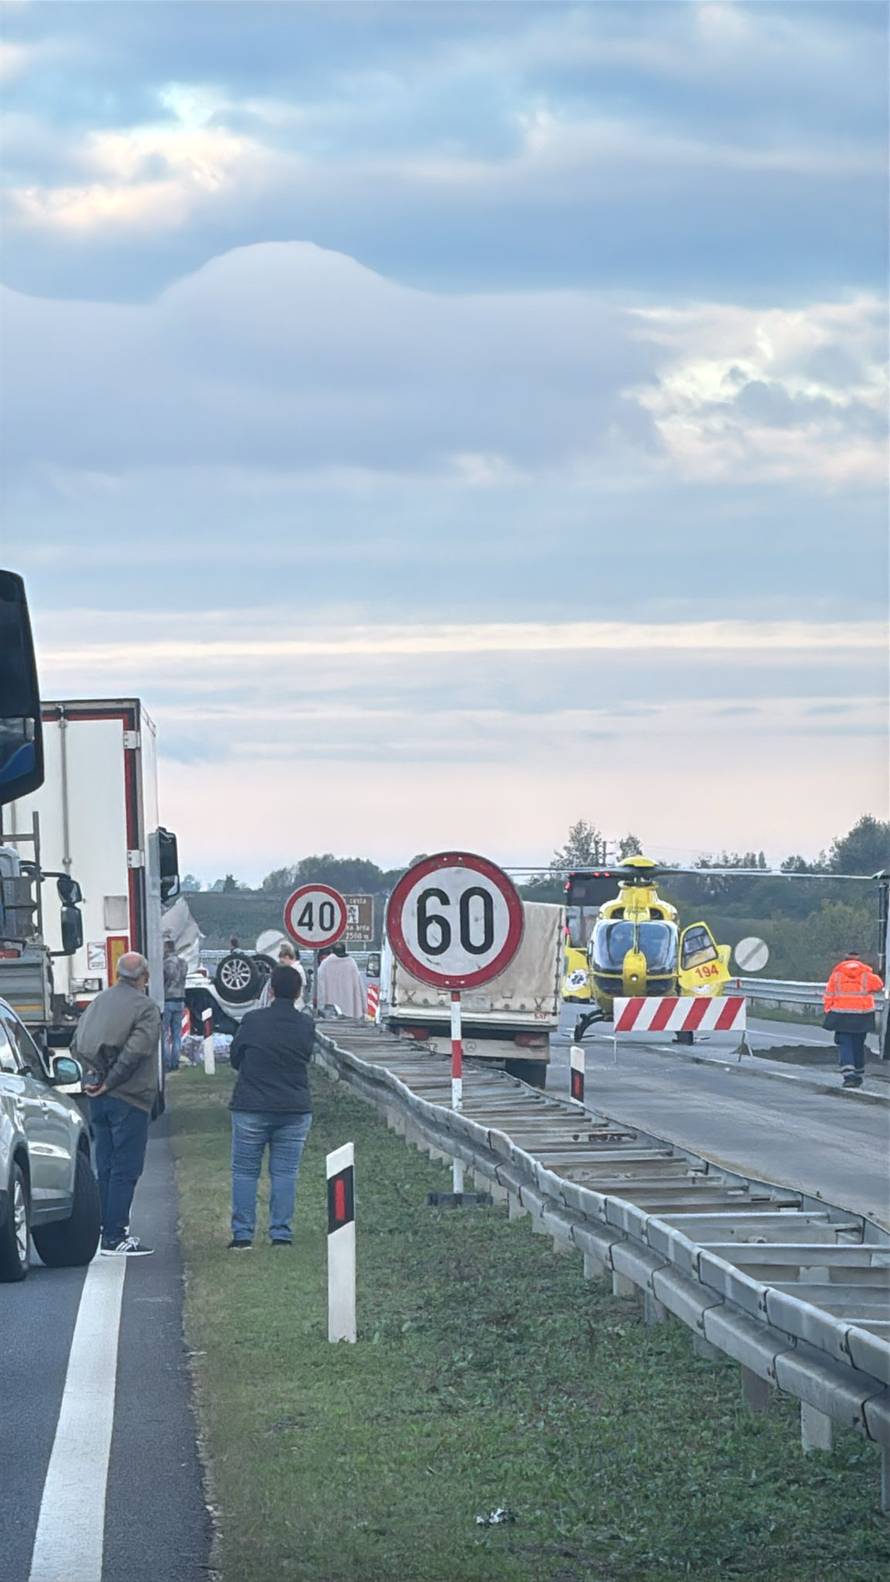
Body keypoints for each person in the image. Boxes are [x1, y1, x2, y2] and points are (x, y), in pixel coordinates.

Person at [72, 951, 161, 1255]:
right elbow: (136, 1052)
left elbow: (77, 1043)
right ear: (144, 978)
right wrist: (111, 1081)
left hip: (97, 1097)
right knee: (126, 1166)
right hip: (129, 1096)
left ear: (117, 974)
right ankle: (115, 1234)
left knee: (105, 1164)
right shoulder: (146, 1008)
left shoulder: (99, 1002)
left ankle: (102, 1226)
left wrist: (94, 1077)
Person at [228, 965, 314, 1248]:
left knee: (244, 1171)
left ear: (271, 990)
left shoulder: (253, 1020)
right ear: (299, 991)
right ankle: (281, 1234)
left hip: (251, 1105)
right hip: (293, 1108)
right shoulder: (305, 1024)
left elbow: (235, 1057)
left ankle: (243, 1235)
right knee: (285, 1173)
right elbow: (305, 1055)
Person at [823, 952, 884, 1089]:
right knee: (858, 1045)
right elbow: (879, 986)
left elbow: (828, 995)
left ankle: (848, 1075)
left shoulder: (836, 976)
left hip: (841, 1015)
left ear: (844, 960)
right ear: (859, 961)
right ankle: (858, 1073)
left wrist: (828, 1012)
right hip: (862, 1016)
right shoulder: (866, 974)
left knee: (845, 1044)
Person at [316, 942, 365, 1018]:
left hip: (330, 1013)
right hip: (350, 1012)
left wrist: (319, 1007)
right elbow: (359, 988)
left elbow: (319, 988)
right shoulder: (352, 964)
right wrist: (363, 1008)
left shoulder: (325, 964)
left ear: (332, 951)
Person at [162, 937, 188, 1071]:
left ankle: (166, 1063)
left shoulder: (166, 964)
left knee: (165, 1034)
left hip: (168, 999)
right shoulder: (184, 963)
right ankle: (175, 1061)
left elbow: (164, 979)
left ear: (167, 948)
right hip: (180, 999)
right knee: (177, 1034)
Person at [259, 940, 306, 1008]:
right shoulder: (299, 970)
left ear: (287, 957)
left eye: (281, 961)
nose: (279, 963)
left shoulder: (294, 971)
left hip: (290, 1006)